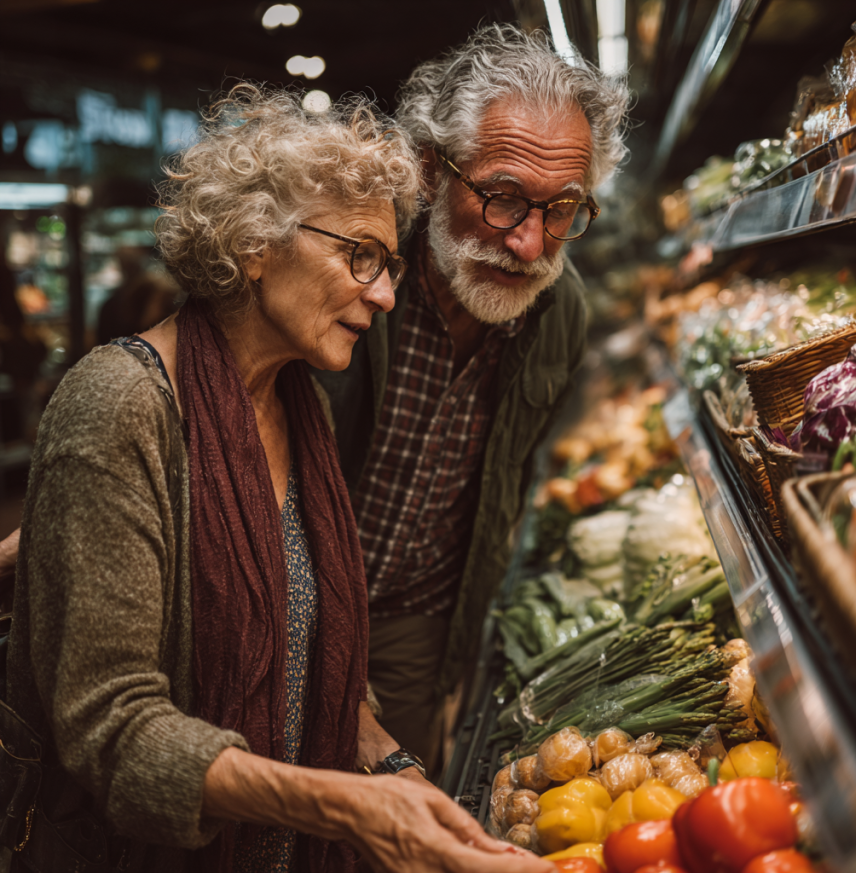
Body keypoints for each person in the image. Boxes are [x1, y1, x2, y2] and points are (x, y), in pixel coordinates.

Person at [6, 85, 552, 873]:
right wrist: (340, 804)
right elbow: (113, 731)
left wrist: (398, 775)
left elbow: (308, 667)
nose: (386, 293)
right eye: (359, 254)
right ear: (255, 244)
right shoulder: (120, 405)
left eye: (390, 262)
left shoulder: (302, 409)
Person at [313, 24, 630, 774]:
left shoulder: (560, 315)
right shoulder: (348, 273)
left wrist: (456, 661)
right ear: (428, 169)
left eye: (563, 209)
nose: (530, 242)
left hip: (414, 630)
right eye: (503, 198)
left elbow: (502, 492)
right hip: (283, 595)